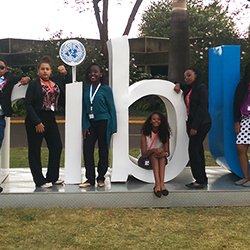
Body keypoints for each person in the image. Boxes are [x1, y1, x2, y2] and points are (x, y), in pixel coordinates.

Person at [25, 56, 63, 188]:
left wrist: (65, 73)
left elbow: (66, 84)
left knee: (56, 146)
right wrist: (37, 122)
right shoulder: (34, 84)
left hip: (50, 118)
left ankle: (52, 177)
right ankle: (39, 181)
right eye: (42, 69)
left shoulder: (55, 83)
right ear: (38, 71)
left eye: (47, 69)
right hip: (35, 120)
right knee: (35, 150)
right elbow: (28, 105)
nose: (45, 71)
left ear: (51, 71)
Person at [80, 63, 117, 188]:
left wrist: (113, 126)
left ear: (101, 74)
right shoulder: (85, 89)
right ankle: (90, 179)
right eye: (91, 72)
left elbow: (112, 108)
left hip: (104, 122)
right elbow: (84, 108)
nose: (93, 74)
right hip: (90, 123)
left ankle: (101, 177)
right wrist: (84, 125)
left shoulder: (106, 89)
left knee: (103, 150)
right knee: (87, 149)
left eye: (96, 72)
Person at [174, 67, 211, 189]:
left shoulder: (201, 88)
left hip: (201, 124)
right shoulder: (191, 88)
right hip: (192, 123)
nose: (186, 78)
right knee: (197, 150)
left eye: (189, 75)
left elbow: (202, 108)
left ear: (196, 75)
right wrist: (178, 84)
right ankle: (202, 179)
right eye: (185, 76)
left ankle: (200, 180)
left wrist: (195, 126)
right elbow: (182, 85)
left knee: (193, 151)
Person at [0, 59, 31, 193]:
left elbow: (25, 77)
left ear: (6, 69)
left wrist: (28, 78)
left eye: (1, 67)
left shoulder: (9, 79)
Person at [140, 111, 171, 198]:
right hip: (145, 160)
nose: (156, 121)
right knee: (154, 156)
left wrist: (162, 153)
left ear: (161, 121)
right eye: (154, 119)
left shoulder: (164, 133)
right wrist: (153, 150)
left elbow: (167, 152)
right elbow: (143, 153)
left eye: (158, 119)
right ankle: (157, 183)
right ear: (150, 121)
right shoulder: (145, 133)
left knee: (161, 157)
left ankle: (162, 184)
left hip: (161, 158)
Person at [234, 62, 250, 186]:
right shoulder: (243, 85)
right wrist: (236, 121)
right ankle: (246, 177)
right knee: (240, 147)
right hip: (245, 119)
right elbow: (236, 103)